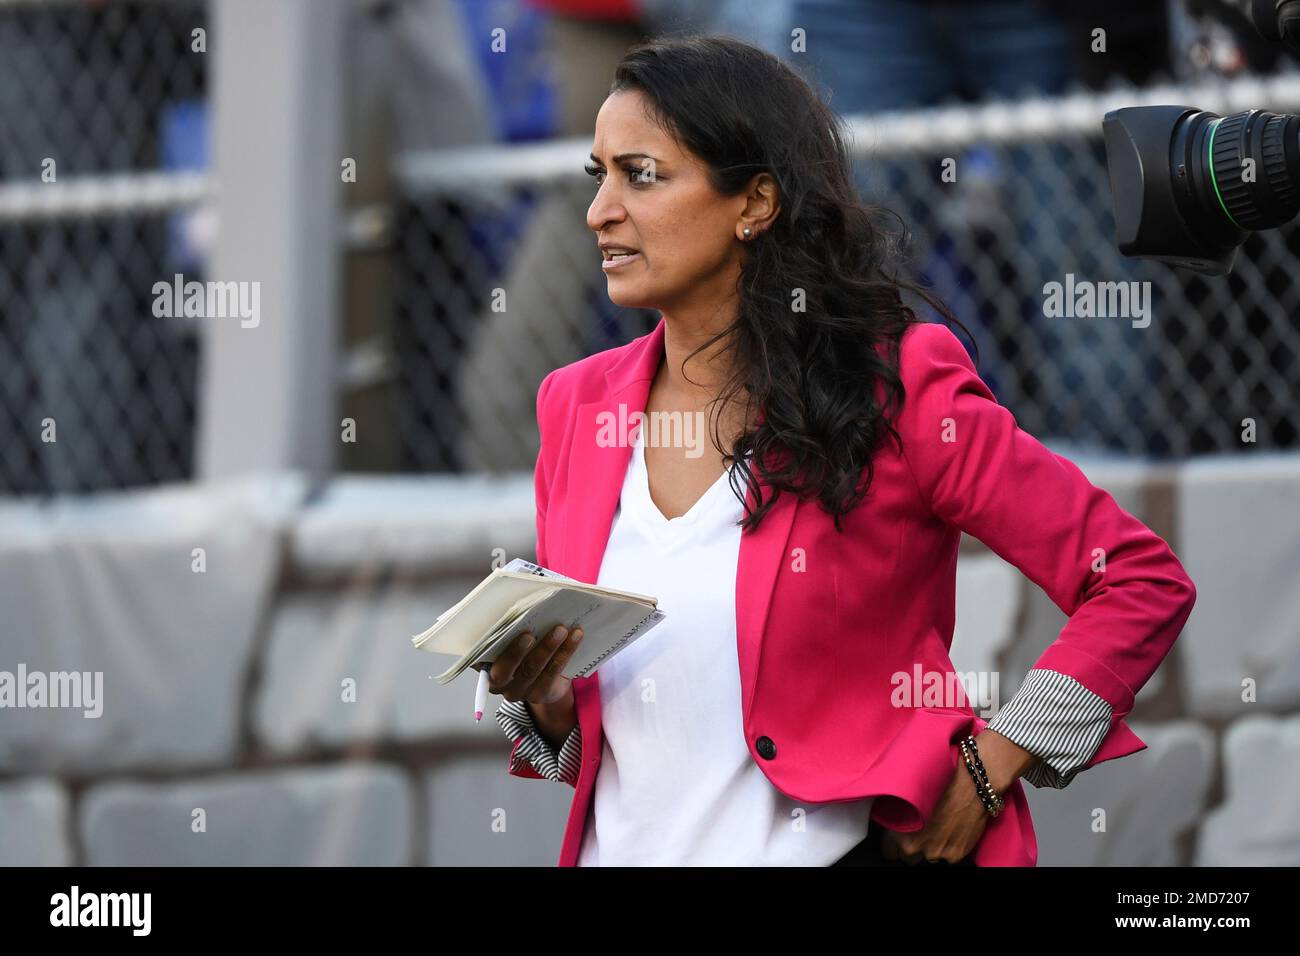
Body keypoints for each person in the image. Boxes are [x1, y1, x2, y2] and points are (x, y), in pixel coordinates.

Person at [487, 35, 1197, 866]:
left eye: (640, 174)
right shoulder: (574, 404)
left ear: (754, 202)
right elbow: (593, 742)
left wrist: (995, 761)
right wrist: (542, 707)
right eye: (597, 175)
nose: (600, 209)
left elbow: (1138, 580)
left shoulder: (898, 384)